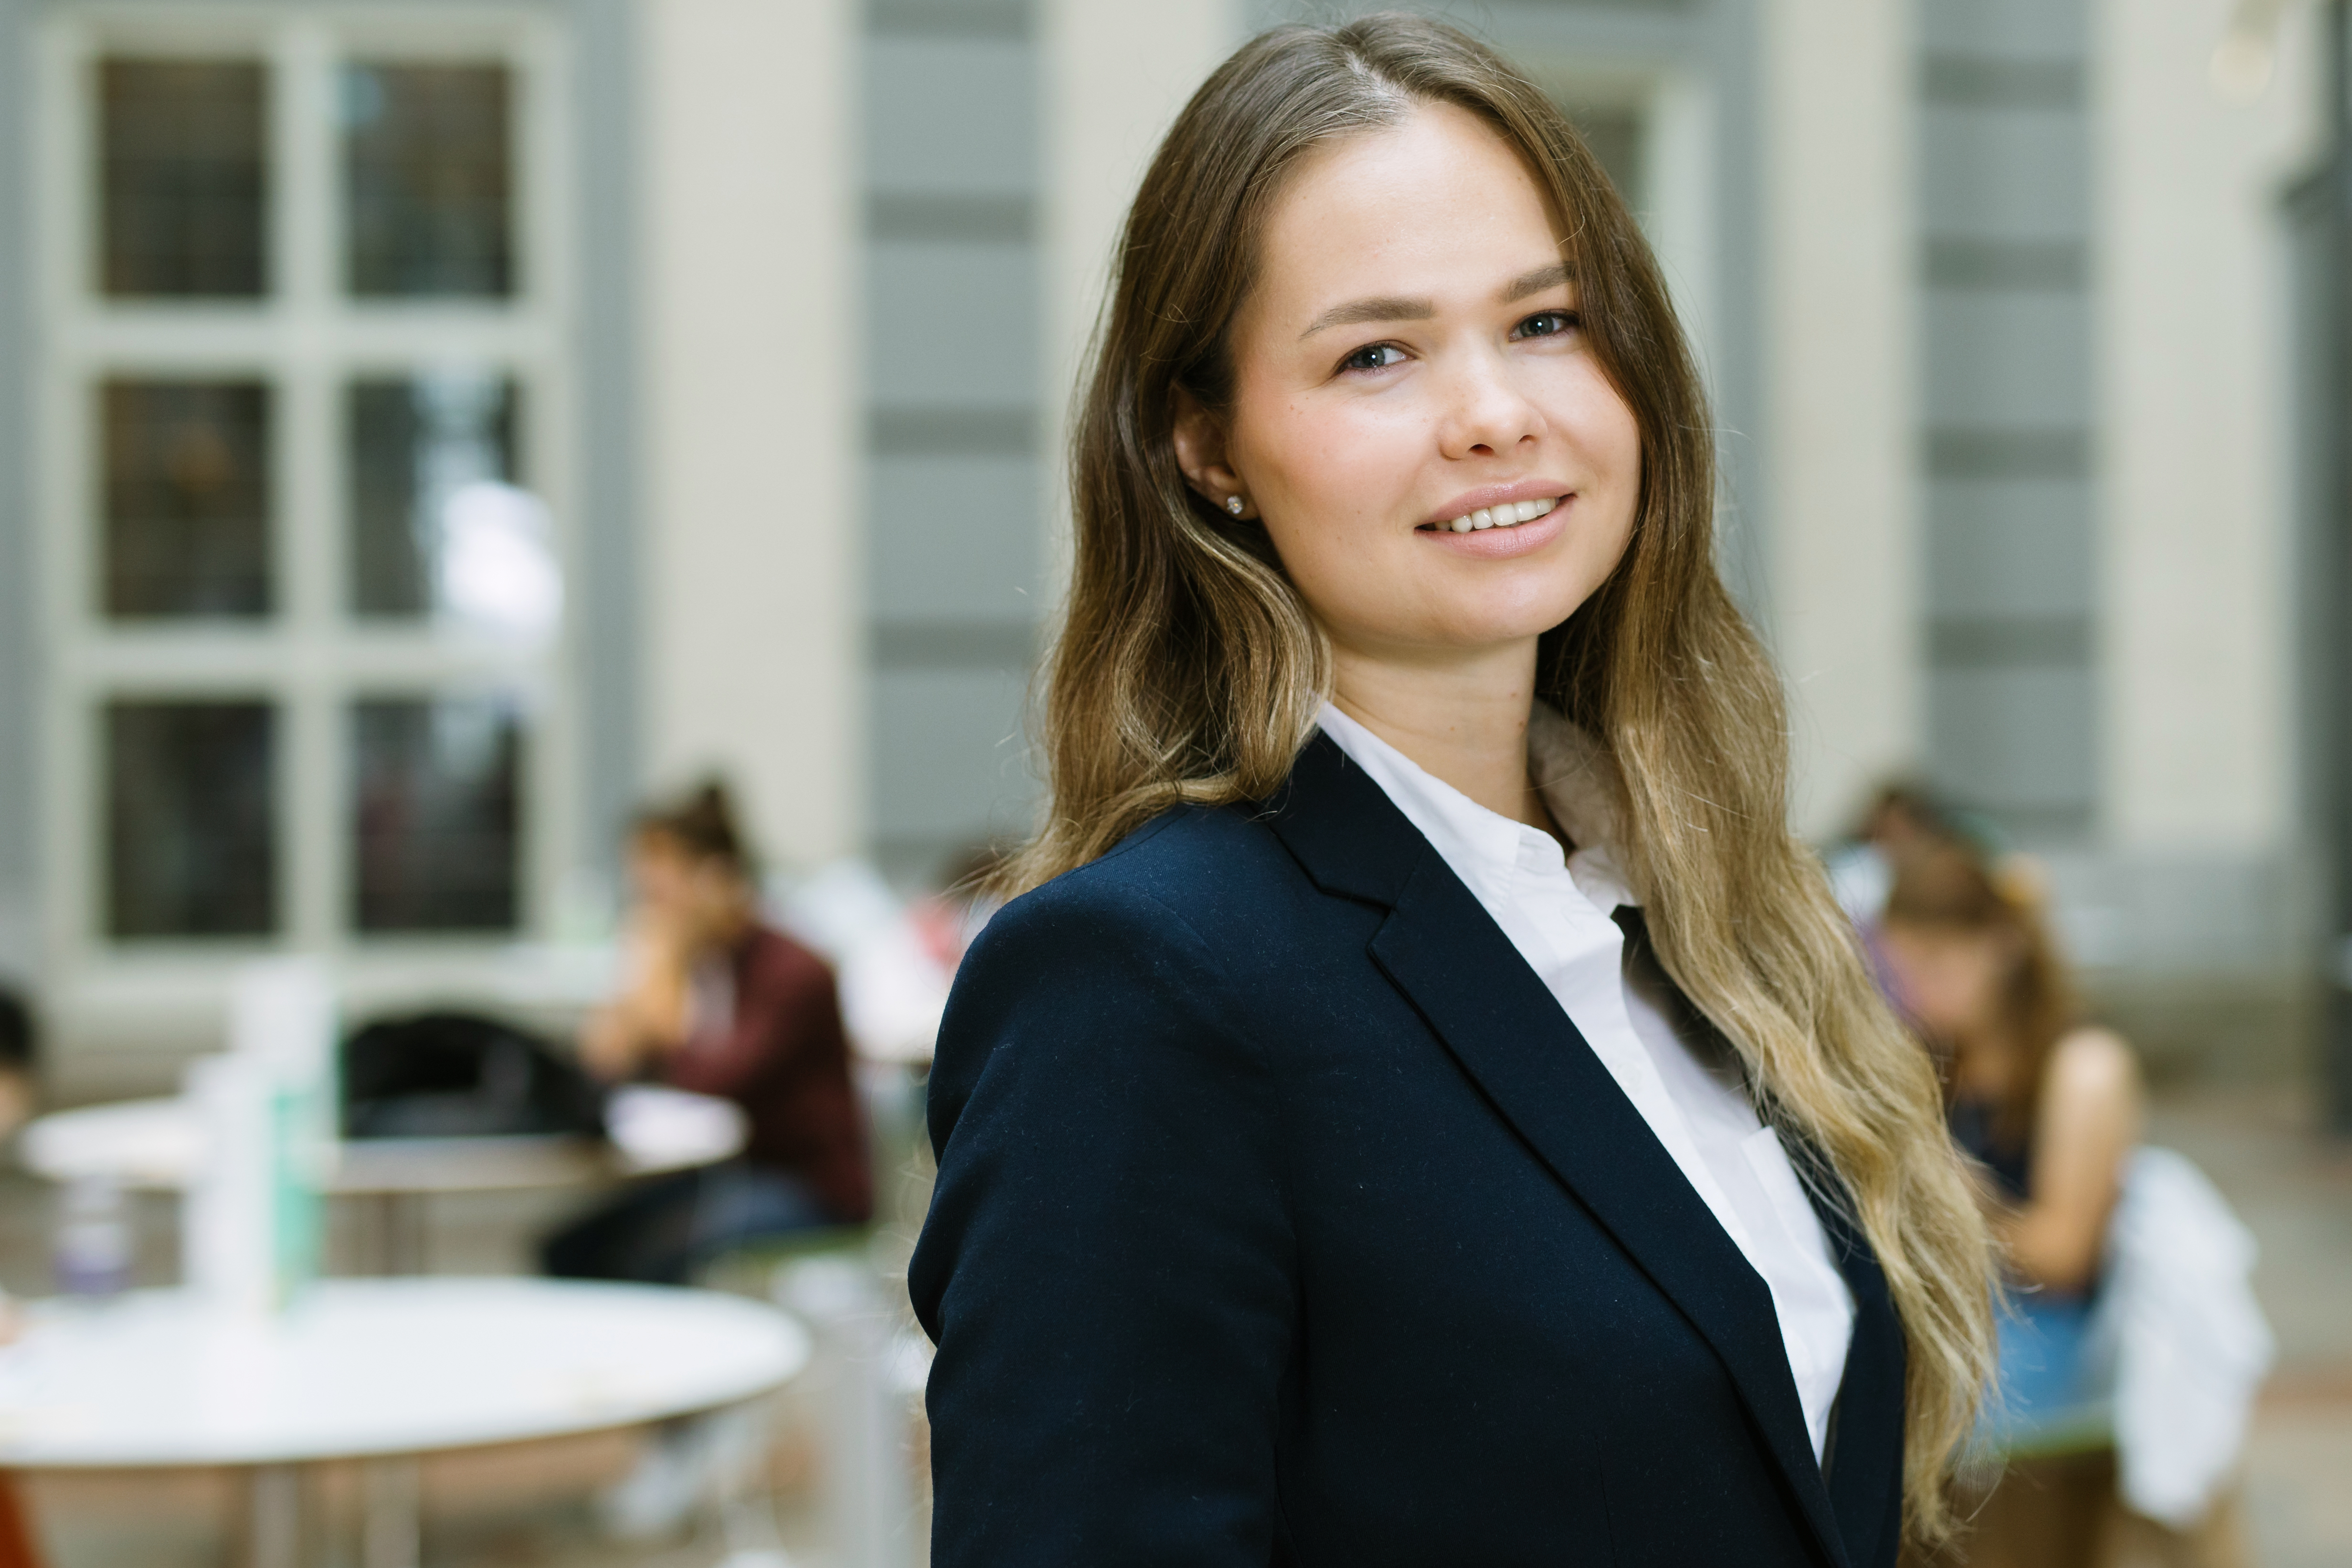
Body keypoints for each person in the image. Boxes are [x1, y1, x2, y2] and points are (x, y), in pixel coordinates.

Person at [908, 15, 1996, 1566]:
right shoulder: (1139, 985)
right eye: (1375, 352)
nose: (1492, 410)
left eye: (1545, 321)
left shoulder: (1694, 910)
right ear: (1203, 444)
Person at [1878, 846, 2252, 1568]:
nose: (1917, 991)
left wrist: (1959, 1206)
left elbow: (2062, 1256)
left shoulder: (2081, 1066)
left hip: (2052, 1382)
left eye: (1935, 966)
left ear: (2000, 948)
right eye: (1902, 969)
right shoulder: (1928, 1057)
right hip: (1966, 1372)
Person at [540, 783, 871, 1285]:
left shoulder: (793, 972)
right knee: (569, 1247)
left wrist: (666, 971)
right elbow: (602, 1064)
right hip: (725, 1171)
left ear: (716, 880)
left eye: (660, 891)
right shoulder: (707, 966)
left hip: (807, 1185)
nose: (652, 910)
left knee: (652, 1256)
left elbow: (713, 1084)